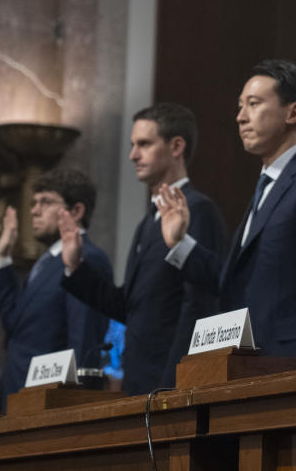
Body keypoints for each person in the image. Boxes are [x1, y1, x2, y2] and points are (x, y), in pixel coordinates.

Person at [157, 60, 296, 364]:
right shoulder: (266, 186)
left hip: (292, 366)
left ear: (293, 113)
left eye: (253, 104)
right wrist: (179, 244)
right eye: (240, 106)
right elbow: (233, 283)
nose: (240, 117)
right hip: (251, 365)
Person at [60, 103, 228, 395]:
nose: (132, 155)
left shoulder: (199, 209)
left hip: (170, 380)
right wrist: (76, 268)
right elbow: (131, 306)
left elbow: (199, 304)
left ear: (176, 146)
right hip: (138, 378)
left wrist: (175, 381)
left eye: (144, 144)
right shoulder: (147, 222)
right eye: (132, 145)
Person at [0, 168, 110, 408]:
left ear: (76, 211)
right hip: (19, 398)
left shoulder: (88, 258)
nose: (34, 210)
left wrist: (73, 410)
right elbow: (15, 326)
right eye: (34, 202)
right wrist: (2, 259)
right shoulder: (46, 263)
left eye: (45, 202)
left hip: (50, 404)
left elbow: (83, 343)